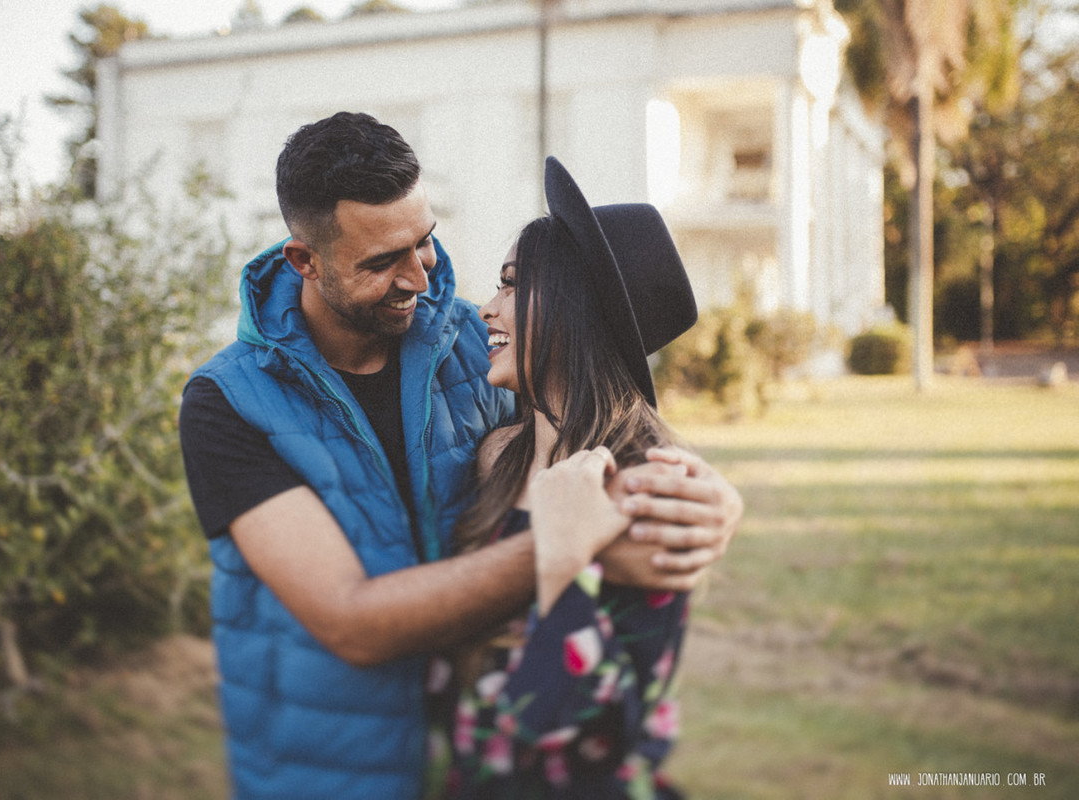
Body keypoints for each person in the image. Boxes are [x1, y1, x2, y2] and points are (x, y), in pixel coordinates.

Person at [178, 112, 742, 799]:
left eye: (426, 241)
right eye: (384, 262)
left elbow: (588, 419)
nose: (420, 277)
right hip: (332, 772)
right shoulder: (228, 402)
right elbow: (350, 620)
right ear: (306, 261)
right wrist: (566, 543)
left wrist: (708, 495)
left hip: (478, 767)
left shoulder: (471, 345)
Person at [424, 158, 704, 799]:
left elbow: (587, 738)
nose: (485, 310)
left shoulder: (647, 487)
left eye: (511, 286)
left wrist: (565, 563)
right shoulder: (495, 455)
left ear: (574, 308)